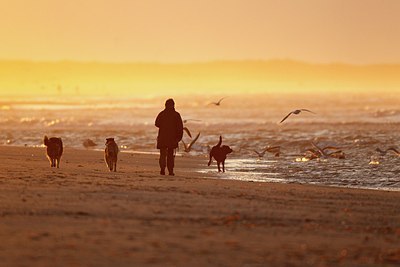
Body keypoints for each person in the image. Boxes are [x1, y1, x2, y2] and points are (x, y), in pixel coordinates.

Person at [155, 98, 183, 175]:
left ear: (165, 105)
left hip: (162, 138)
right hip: (172, 139)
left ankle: (162, 170)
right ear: (173, 105)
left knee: (163, 154)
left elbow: (157, 123)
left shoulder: (162, 114)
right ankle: (170, 171)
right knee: (170, 155)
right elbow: (180, 128)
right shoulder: (176, 115)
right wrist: (179, 138)